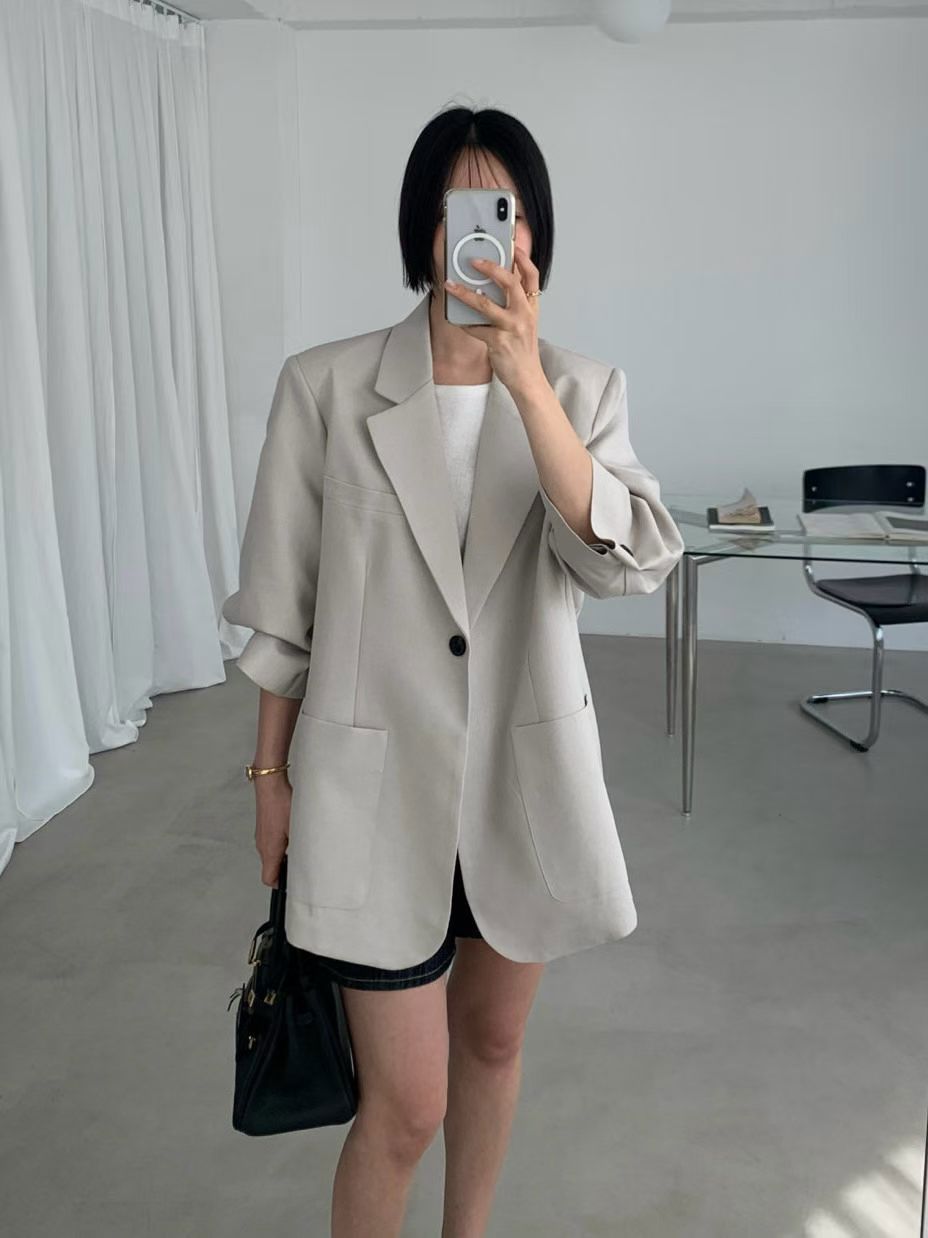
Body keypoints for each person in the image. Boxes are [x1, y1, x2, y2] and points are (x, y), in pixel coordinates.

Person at [222, 104, 684, 1238]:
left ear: (533, 232)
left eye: (503, 207)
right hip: (372, 790)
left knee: (492, 1041)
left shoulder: (582, 390)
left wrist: (526, 383)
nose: (481, 230)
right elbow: (284, 608)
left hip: (521, 783)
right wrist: (269, 780)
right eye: (456, 206)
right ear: (421, 227)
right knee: (404, 1109)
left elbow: (625, 559)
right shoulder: (326, 387)